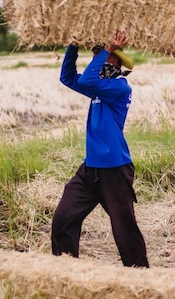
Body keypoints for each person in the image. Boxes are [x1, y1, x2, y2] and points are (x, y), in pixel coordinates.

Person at [51, 29, 149, 268]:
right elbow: (68, 78)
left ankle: (142, 277)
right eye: (95, 54)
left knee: (124, 229)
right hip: (90, 170)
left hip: (115, 169)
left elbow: (86, 80)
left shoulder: (119, 88)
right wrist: (73, 45)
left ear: (116, 59)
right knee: (62, 220)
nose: (98, 58)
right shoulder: (97, 87)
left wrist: (109, 47)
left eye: (103, 54)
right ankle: (66, 271)